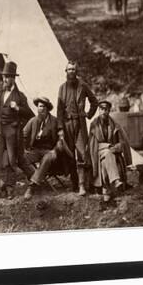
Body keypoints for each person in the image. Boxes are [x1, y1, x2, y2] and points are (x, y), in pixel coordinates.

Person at [0, 61, 35, 201]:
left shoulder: (20, 96)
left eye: (8, 77)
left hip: (12, 129)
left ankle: (11, 189)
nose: (5, 79)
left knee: (12, 160)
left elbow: (30, 114)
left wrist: (18, 108)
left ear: (13, 78)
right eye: (4, 76)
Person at [56, 61, 98, 196]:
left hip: (79, 124)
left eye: (73, 69)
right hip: (67, 124)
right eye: (69, 70)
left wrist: (88, 114)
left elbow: (94, 102)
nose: (71, 72)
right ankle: (74, 184)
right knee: (69, 155)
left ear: (76, 71)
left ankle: (83, 185)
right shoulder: (62, 88)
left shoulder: (83, 86)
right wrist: (60, 128)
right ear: (66, 71)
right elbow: (59, 110)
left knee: (82, 154)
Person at [22, 97, 66, 200]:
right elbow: (23, 135)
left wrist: (55, 150)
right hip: (35, 150)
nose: (40, 109)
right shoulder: (33, 121)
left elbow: (61, 139)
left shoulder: (55, 121)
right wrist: (23, 148)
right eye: (38, 106)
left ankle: (32, 186)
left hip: (50, 150)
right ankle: (38, 178)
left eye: (42, 107)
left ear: (47, 109)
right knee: (22, 158)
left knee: (47, 158)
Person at [88, 100, 132, 202]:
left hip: (111, 153)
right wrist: (108, 146)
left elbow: (122, 142)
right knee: (107, 154)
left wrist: (116, 147)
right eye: (102, 109)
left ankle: (106, 191)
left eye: (106, 109)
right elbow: (92, 145)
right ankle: (116, 180)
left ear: (109, 111)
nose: (104, 111)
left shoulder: (114, 125)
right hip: (97, 152)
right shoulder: (94, 125)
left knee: (106, 160)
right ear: (98, 110)